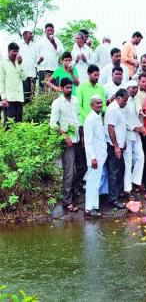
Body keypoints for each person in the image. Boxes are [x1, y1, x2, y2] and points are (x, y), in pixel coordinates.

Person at [50, 77, 85, 212]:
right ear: (61, 88)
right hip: (67, 142)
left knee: (82, 167)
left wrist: (82, 137)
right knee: (69, 171)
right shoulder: (57, 103)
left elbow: (79, 120)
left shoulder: (76, 100)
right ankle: (67, 201)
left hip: (77, 139)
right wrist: (65, 136)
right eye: (67, 88)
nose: (69, 90)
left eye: (71, 87)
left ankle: (72, 190)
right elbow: (53, 124)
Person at [84, 94, 109, 217]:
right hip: (95, 157)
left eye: (101, 103)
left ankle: (94, 207)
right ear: (91, 104)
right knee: (92, 182)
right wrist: (92, 158)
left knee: (96, 181)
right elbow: (88, 141)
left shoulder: (98, 117)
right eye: (97, 103)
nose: (100, 105)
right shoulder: (90, 119)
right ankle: (89, 208)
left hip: (100, 155)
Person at [105, 89, 129, 209]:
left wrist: (122, 142)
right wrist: (116, 147)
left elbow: (120, 127)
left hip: (119, 145)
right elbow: (111, 128)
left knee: (121, 170)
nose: (126, 103)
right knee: (114, 172)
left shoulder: (119, 108)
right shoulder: (113, 108)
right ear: (118, 98)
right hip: (113, 146)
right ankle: (113, 199)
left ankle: (118, 193)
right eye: (124, 101)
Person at [123, 80, 146, 195]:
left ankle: (135, 181)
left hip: (136, 134)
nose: (135, 90)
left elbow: (134, 117)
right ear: (127, 89)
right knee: (128, 162)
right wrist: (134, 128)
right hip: (127, 135)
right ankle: (127, 189)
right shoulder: (124, 101)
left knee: (140, 157)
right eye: (132, 88)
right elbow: (122, 120)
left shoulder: (132, 100)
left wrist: (141, 127)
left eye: (136, 88)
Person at [0, 42, 25, 123]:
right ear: (8, 51)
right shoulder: (3, 63)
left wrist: (20, 64)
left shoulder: (20, 62)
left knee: (18, 123)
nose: (16, 53)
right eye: (14, 51)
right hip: (9, 98)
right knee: (9, 124)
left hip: (19, 97)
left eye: (17, 51)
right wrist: (3, 98)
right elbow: (1, 81)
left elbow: (24, 77)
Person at [36, 23, 64, 90]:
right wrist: (39, 60)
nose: (49, 32)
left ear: (53, 31)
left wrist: (53, 43)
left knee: (55, 90)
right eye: (48, 30)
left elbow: (62, 53)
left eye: (51, 30)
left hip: (54, 69)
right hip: (43, 69)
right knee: (43, 90)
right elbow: (36, 55)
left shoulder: (57, 40)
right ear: (45, 31)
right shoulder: (40, 41)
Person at [19, 28, 37, 102]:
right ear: (24, 34)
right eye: (30, 33)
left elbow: (36, 59)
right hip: (23, 74)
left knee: (32, 94)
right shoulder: (19, 45)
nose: (31, 35)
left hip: (32, 74)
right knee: (24, 94)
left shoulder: (34, 46)